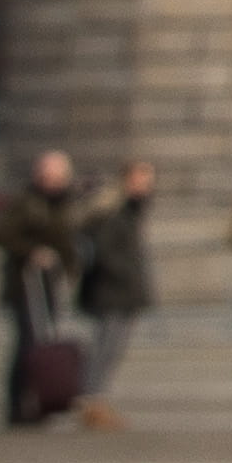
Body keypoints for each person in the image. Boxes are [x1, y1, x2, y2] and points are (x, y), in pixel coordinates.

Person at [0, 148, 86, 429]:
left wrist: (69, 268)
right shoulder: (26, 202)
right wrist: (32, 251)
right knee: (28, 345)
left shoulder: (66, 204)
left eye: (60, 176)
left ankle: (43, 399)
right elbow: (1, 235)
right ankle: (17, 404)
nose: (54, 181)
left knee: (45, 345)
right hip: (25, 286)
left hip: (50, 286)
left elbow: (66, 241)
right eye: (49, 175)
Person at [74, 162, 159, 413]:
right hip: (110, 290)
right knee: (105, 345)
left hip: (122, 290)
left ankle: (94, 396)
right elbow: (105, 250)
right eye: (142, 180)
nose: (147, 186)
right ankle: (89, 397)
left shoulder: (131, 209)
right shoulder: (113, 210)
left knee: (112, 346)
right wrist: (127, 275)